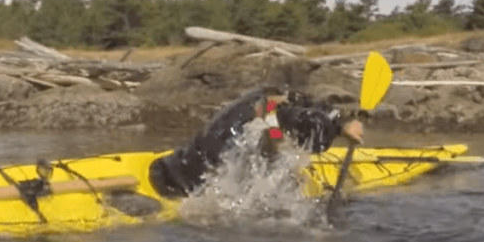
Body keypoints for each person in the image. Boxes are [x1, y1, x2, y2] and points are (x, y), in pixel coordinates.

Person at [148, 86, 364, 198]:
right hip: (180, 184)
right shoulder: (245, 135)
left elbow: (301, 102)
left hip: (173, 166)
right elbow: (279, 134)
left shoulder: (269, 101)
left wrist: (342, 122)